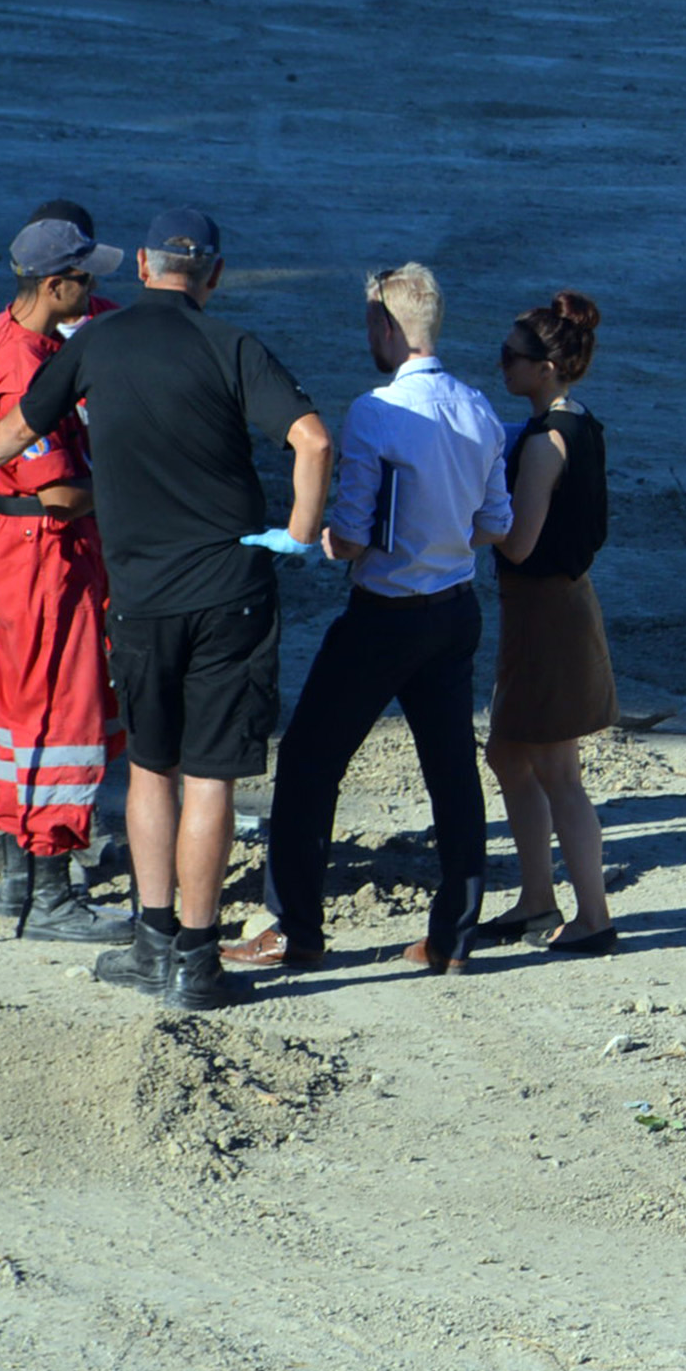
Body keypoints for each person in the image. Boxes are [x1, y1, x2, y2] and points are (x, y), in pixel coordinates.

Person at [0, 209, 330, 1011]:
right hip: (227, 587)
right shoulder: (232, 345)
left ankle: (150, 943)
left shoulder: (90, 342)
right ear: (214, 276)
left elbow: (20, 426)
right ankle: (196, 960)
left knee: (149, 768)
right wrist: (297, 535)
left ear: (146, 268)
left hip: (139, 594)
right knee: (210, 777)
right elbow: (314, 441)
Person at [235, 263, 511, 978]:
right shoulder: (479, 409)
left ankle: (297, 928)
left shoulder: (376, 411)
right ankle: (452, 935)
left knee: (308, 762)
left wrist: (321, 541)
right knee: (451, 772)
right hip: (454, 610)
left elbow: (353, 537)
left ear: (385, 327)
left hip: (384, 614)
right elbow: (493, 523)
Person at [0, 216, 131, 942]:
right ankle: (52, 891)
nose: (94, 291)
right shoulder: (31, 364)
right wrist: (133, 491)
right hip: (48, 547)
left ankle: (18, 873)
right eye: (86, 279)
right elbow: (58, 488)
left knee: (20, 709)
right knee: (64, 713)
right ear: (55, 284)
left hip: (9, 544)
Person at [481, 292, 617, 956]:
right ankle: (538, 902)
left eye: (512, 357)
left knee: (559, 771)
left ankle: (592, 917)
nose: (500, 365)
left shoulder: (542, 443)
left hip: (543, 612)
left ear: (547, 367)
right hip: (557, 606)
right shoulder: (580, 421)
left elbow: (519, 543)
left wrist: (467, 513)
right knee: (507, 754)